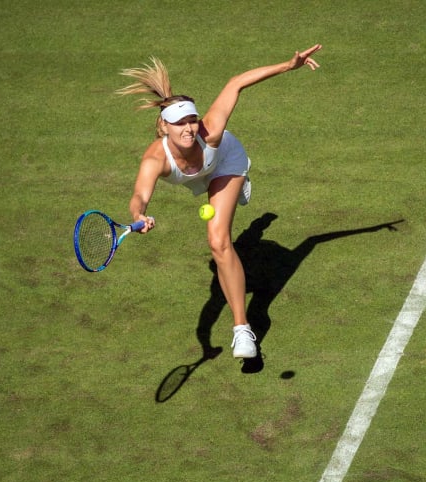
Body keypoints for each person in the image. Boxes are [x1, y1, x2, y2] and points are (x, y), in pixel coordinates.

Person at [116, 44, 322, 359]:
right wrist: (139, 214)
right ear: (163, 127)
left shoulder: (209, 134)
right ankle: (250, 217)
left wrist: (288, 65)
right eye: (179, 123)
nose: (188, 128)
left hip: (224, 162)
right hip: (195, 176)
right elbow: (140, 195)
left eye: (192, 120)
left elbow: (235, 82)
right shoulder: (155, 159)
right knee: (219, 233)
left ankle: (243, 330)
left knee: (218, 241)